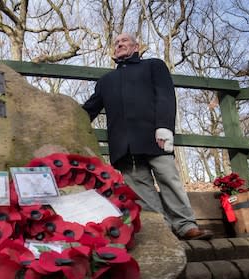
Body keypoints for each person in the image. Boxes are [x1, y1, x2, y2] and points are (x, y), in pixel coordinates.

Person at [82, 32, 213, 240]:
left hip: (155, 138)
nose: (119, 44)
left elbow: (165, 96)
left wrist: (164, 127)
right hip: (124, 147)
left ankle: (186, 225)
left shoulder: (154, 65)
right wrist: (68, 116)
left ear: (136, 47)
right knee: (141, 192)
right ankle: (163, 230)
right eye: (116, 42)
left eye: (124, 41)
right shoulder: (106, 81)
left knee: (169, 180)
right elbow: (88, 110)